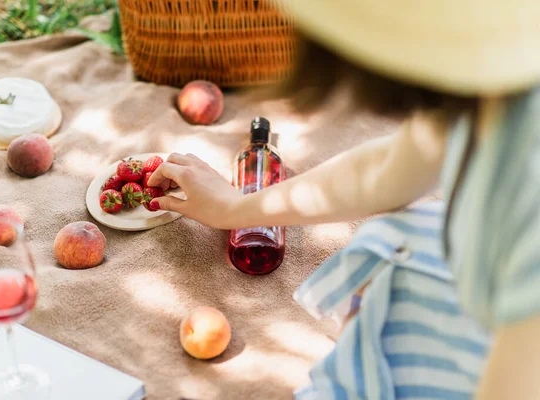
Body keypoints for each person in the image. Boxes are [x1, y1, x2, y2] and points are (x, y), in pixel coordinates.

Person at [148, 1, 540, 398]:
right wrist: (236, 208)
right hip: (489, 289)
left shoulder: (528, 203)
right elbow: (389, 167)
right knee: (388, 241)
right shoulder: (493, 78)